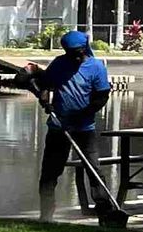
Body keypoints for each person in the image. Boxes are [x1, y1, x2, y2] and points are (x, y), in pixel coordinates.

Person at [27, 27, 112, 220]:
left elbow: (101, 97)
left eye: (77, 54)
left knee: (94, 170)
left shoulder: (96, 67)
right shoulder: (58, 64)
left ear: (84, 49)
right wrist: (45, 100)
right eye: (70, 54)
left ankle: (105, 212)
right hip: (58, 129)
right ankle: (46, 214)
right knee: (49, 173)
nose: (74, 58)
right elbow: (47, 85)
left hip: (84, 129)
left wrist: (81, 115)